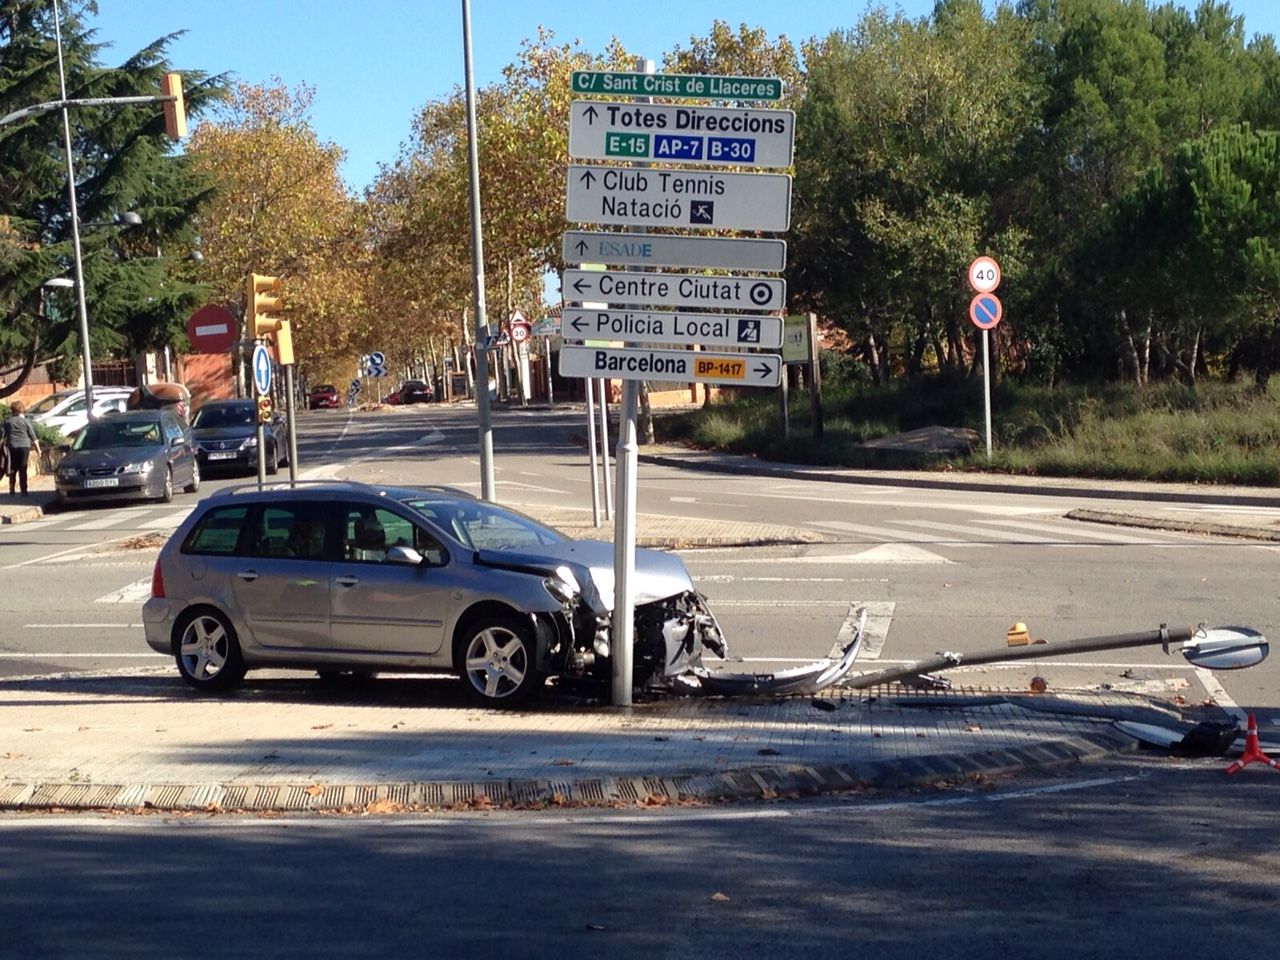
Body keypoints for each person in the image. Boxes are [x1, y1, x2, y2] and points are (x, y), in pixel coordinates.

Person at [3, 399, 42, 495]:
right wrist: (38, 450)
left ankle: (12, 488)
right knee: (22, 468)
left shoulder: (8, 422)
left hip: (11, 446)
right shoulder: (26, 421)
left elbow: (4, 436)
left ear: (12, 410)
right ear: (21, 410)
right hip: (24, 446)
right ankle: (24, 490)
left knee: (12, 467)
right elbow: (33, 436)